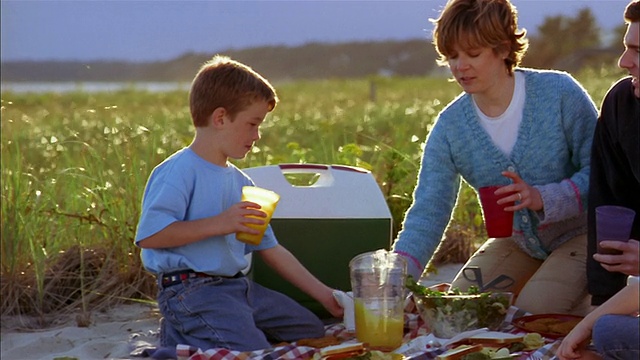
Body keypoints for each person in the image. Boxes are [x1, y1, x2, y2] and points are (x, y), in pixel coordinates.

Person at [392, 0, 598, 315]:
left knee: (533, 315)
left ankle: (600, 300)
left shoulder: (560, 94)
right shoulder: (450, 128)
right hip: (518, 243)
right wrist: (395, 284)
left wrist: (542, 197)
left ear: (503, 49)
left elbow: (602, 174)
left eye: (472, 54)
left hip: (583, 235)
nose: (460, 67)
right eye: (452, 56)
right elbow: (428, 212)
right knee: (461, 314)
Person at [134, 55, 343, 352]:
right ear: (220, 118)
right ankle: (179, 338)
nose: (257, 136)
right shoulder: (179, 170)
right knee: (251, 351)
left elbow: (270, 249)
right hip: (190, 290)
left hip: (238, 288)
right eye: (252, 124)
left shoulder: (243, 183)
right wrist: (221, 223)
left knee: (311, 328)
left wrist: (325, 295)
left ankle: (198, 332)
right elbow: (150, 235)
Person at [586, 0, 640, 308]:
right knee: (606, 333)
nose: (624, 61)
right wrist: (602, 303)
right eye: (627, 47)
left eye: (639, 52)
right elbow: (607, 200)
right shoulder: (622, 104)